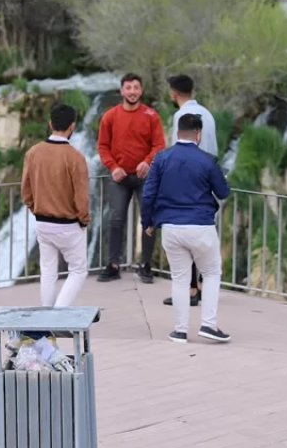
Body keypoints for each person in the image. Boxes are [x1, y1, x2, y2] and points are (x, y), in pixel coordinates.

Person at [141, 113, 232, 343]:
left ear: (177, 132)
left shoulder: (161, 159)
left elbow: (148, 193)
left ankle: (180, 331)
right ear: (198, 134)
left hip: (170, 228)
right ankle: (208, 325)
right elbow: (222, 192)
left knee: (180, 278)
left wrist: (148, 222)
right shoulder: (207, 160)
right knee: (211, 273)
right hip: (200, 226)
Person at [96, 73, 165, 283]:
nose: (132, 91)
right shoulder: (110, 116)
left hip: (145, 176)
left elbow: (160, 145)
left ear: (141, 91)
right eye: (128, 88)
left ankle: (145, 265)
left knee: (149, 219)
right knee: (116, 219)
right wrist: (112, 167)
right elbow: (102, 146)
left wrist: (148, 161)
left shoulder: (151, 116)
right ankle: (113, 264)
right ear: (121, 91)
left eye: (136, 87)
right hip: (120, 176)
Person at [21, 104, 91, 307]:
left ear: (50, 123)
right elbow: (81, 197)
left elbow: (26, 190)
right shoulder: (75, 157)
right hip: (69, 224)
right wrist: (84, 219)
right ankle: (58, 314)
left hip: (43, 223)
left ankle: (47, 316)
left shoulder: (33, 153)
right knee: (78, 270)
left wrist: (35, 208)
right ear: (73, 126)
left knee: (48, 272)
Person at [162, 74, 218, 307]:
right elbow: (213, 149)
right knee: (202, 233)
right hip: (207, 175)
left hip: (187, 180)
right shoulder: (209, 114)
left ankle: (191, 288)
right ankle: (202, 285)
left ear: (173, 93)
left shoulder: (180, 116)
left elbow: (179, 150)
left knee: (186, 231)